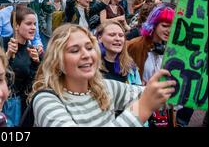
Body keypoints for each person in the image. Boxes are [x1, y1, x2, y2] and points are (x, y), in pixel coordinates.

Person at [29, 24, 176, 127]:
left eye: (89, 47)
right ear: (57, 61)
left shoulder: (106, 87)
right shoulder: (46, 100)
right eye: (74, 50)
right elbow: (146, 102)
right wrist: (143, 108)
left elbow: (159, 94)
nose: (86, 55)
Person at [127, 4, 178, 127]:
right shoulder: (135, 46)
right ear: (154, 25)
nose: (168, 30)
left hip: (162, 107)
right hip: (139, 104)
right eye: (164, 26)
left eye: (172, 27)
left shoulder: (171, 50)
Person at [2, 6, 41, 125]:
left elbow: (33, 83)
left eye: (34, 24)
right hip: (5, 106)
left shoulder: (32, 49)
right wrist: (7, 55)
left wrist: (36, 63)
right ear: (16, 26)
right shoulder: (1, 43)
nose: (33, 27)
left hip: (24, 108)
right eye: (28, 24)